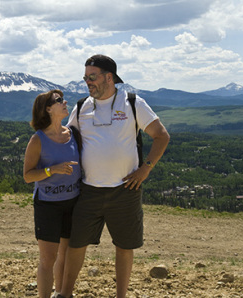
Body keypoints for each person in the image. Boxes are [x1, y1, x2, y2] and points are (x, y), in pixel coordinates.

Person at [58, 55, 170, 298]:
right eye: (85, 77)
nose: (88, 82)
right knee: (76, 244)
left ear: (109, 77)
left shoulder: (132, 103)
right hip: (88, 190)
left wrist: (146, 168)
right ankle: (65, 294)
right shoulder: (81, 106)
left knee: (124, 246)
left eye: (92, 77)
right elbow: (67, 141)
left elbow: (161, 135)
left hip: (125, 190)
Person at [23, 89, 82, 298]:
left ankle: (60, 294)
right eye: (59, 101)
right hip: (48, 204)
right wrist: (52, 170)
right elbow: (28, 176)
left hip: (72, 202)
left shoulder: (72, 134)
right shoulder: (38, 140)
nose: (65, 102)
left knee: (64, 255)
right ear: (48, 109)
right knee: (48, 259)